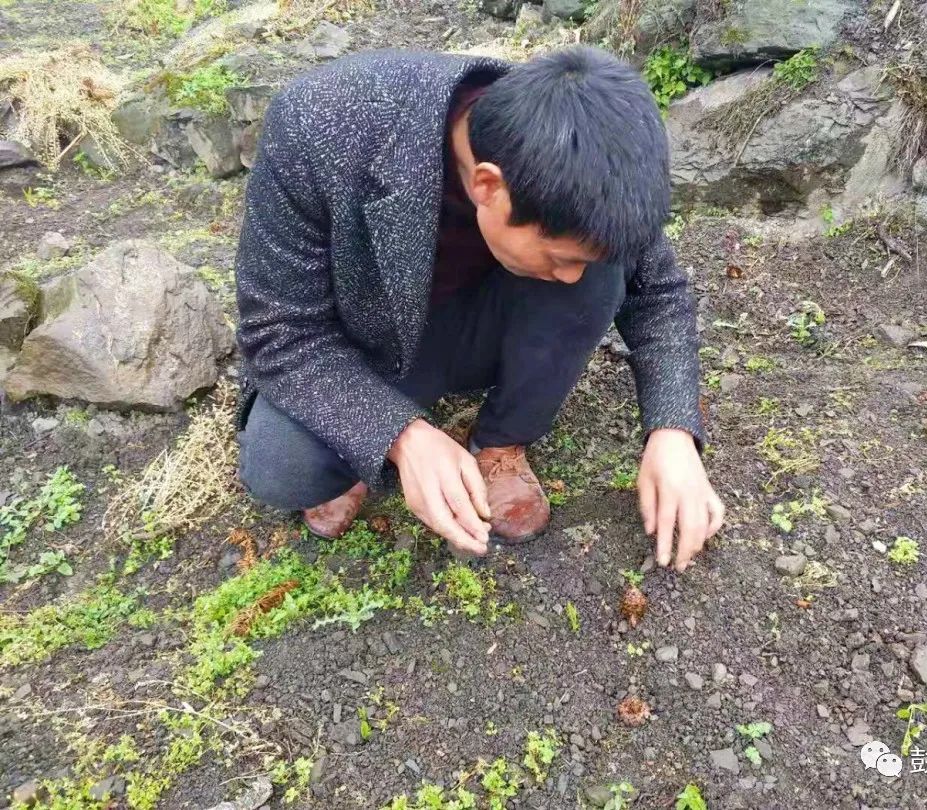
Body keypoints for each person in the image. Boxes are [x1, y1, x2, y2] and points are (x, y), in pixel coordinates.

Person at [233, 46, 725, 573]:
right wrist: (396, 435)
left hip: (485, 319)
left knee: (602, 271)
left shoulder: (592, 156)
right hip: (366, 342)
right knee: (282, 467)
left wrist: (672, 432)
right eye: (559, 258)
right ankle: (368, 449)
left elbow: (657, 289)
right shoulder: (320, 124)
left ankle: (501, 441)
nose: (569, 277)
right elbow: (279, 330)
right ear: (488, 185)